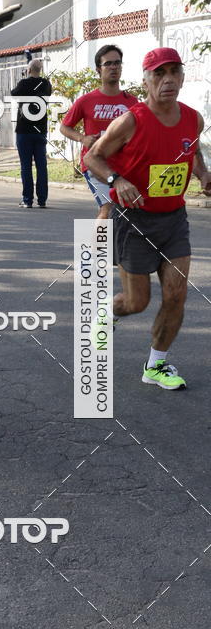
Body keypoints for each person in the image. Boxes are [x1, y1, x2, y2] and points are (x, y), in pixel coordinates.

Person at [84, 47, 211, 391]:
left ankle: (156, 364)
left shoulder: (193, 118)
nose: (167, 79)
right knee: (136, 302)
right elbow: (92, 157)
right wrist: (117, 180)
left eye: (174, 72)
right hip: (134, 220)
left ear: (182, 78)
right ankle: (105, 314)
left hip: (173, 220)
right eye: (159, 73)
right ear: (146, 81)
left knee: (176, 293)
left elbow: (193, 150)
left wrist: (202, 174)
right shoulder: (131, 121)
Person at [60, 44, 139, 219]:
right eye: (108, 64)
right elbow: (64, 127)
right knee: (107, 207)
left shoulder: (133, 102)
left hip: (124, 165)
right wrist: (83, 138)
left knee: (127, 210)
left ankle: (117, 245)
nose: (113, 67)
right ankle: (96, 247)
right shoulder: (86, 100)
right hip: (95, 164)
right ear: (98, 69)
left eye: (117, 63)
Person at [11, 58, 52, 208]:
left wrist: (25, 78)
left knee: (25, 166)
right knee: (42, 166)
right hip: (40, 130)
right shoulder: (46, 84)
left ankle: (27, 200)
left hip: (24, 130)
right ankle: (42, 200)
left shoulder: (23, 84)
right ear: (40, 70)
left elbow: (13, 94)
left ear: (28, 70)